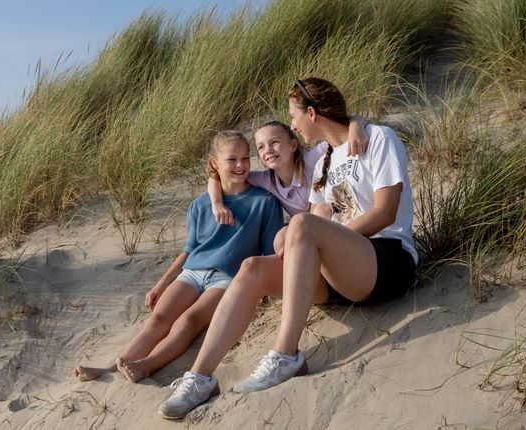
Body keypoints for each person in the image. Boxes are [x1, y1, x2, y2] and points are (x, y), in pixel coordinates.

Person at [158, 78, 418, 420]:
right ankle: (200, 377)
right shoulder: (323, 159)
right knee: (252, 267)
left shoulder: (377, 138)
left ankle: (286, 354)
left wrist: (322, 237)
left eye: (294, 117)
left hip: (386, 259)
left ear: (311, 113)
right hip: (338, 273)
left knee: (301, 225)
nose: (292, 125)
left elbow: (385, 212)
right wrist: (295, 244)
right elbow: (315, 213)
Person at [73, 130, 284, 383]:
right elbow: (189, 250)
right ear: (214, 163)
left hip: (227, 278)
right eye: (231, 160)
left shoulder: (264, 202)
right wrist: (160, 285)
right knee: (159, 319)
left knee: (189, 320)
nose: (240, 165)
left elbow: (269, 255)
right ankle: (111, 368)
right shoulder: (200, 205)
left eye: (245, 158)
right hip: (193, 273)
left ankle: (147, 365)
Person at [205, 118, 370, 226]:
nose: (268, 150)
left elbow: (343, 130)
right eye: (261, 147)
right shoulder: (266, 180)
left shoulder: (312, 159)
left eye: (274, 142)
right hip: (308, 234)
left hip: (341, 223)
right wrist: (217, 204)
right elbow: (217, 175)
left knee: (322, 210)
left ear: (293, 145)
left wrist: (355, 124)